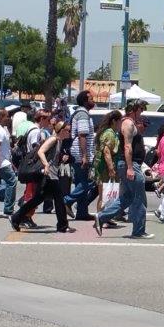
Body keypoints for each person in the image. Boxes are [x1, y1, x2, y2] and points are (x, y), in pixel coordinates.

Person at [93, 98, 151, 239]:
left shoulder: (127, 123)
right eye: (141, 109)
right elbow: (127, 146)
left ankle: (101, 217)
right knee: (139, 199)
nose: (142, 112)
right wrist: (130, 167)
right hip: (129, 165)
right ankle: (138, 231)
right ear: (134, 110)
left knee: (127, 198)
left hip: (127, 164)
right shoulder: (128, 123)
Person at [10, 120, 75, 233]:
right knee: (59, 199)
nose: (70, 133)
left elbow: (52, 157)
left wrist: (62, 158)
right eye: (68, 130)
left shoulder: (59, 141)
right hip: (49, 175)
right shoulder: (53, 139)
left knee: (38, 199)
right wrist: (45, 165)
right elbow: (41, 151)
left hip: (51, 174)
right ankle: (62, 226)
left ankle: (16, 218)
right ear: (62, 130)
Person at [65, 90, 98, 221]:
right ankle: (67, 200)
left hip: (77, 153)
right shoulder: (83, 114)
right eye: (91, 98)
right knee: (89, 181)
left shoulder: (79, 113)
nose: (93, 100)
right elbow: (82, 135)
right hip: (80, 154)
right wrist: (85, 156)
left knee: (81, 181)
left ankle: (82, 212)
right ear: (85, 101)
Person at [92, 110, 122, 221]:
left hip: (104, 167)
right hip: (104, 168)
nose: (121, 124)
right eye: (120, 121)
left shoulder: (111, 132)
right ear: (114, 121)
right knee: (104, 195)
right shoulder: (109, 133)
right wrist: (111, 168)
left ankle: (104, 217)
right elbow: (106, 151)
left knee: (106, 195)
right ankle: (100, 218)